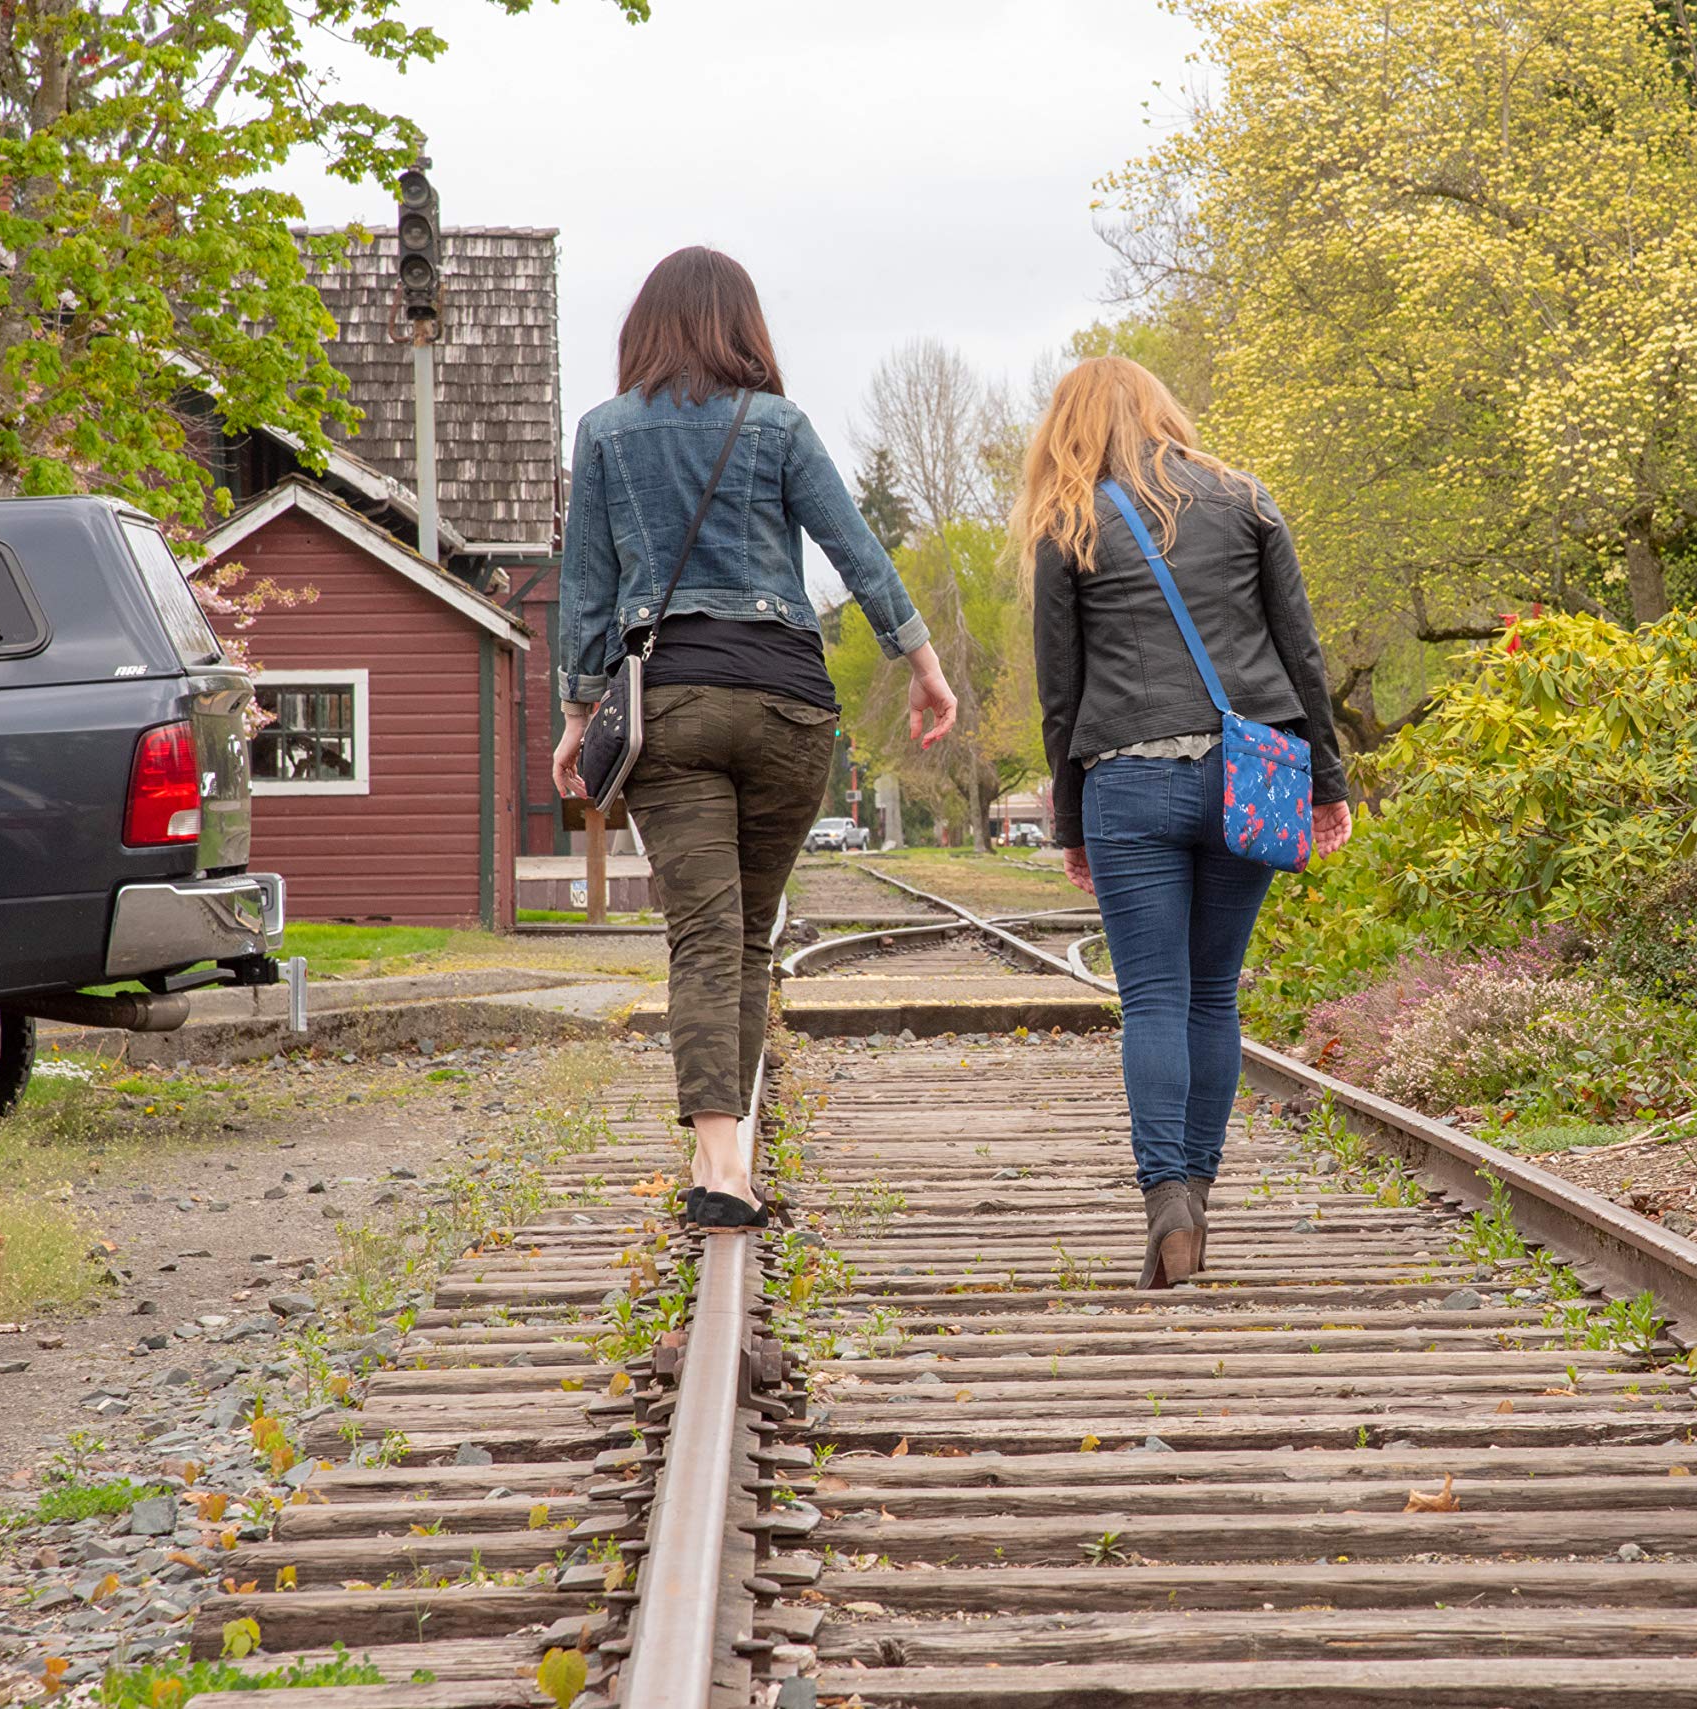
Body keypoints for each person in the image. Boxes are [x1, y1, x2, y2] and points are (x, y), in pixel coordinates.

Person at [553, 247, 957, 1230]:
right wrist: (923, 662)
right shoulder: (778, 425)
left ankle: (721, 1163)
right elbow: (855, 548)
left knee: (701, 931)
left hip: (673, 704)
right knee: (747, 935)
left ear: (644, 326)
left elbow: (587, 587)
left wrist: (575, 714)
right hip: (787, 705)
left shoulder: (605, 433)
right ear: (744, 325)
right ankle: (721, 1153)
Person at [1014, 357, 1352, 1288]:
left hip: (1128, 779)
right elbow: (1302, 649)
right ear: (1164, 410)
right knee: (1215, 991)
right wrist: (1327, 780)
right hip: (1251, 776)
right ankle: (1196, 1191)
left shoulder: (1069, 521)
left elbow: (1061, 687)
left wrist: (1070, 818)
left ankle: (1167, 1198)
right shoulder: (1246, 499)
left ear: (1071, 426)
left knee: (1155, 997)